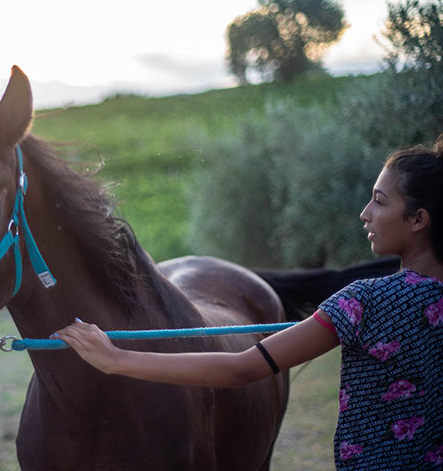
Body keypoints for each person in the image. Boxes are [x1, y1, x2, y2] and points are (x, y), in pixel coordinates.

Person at [55, 133, 443, 469]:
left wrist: (116, 359)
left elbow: (242, 369)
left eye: (379, 201)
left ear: (417, 219)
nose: (365, 213)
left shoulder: (365, 302)